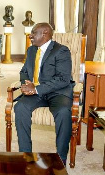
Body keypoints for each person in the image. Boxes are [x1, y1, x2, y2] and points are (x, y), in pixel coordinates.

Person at [14, 22, 74, 166]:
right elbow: (24, 71)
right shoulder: (31, 50)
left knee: (63, 112)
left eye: (34, 33)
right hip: (35, 92)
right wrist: (27, 82)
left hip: (57, 92)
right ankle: (26, 155)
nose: (30, 36)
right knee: (20, 108)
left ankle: (61, 159)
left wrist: (36, 89)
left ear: (45, 33)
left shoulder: (61, 51)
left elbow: (63, 79)